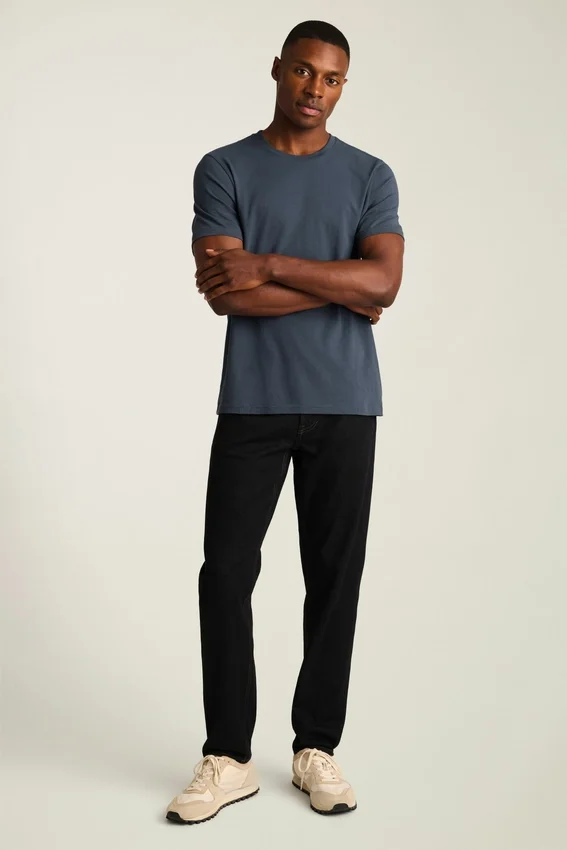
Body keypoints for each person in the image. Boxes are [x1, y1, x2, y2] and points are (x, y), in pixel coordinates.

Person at [166, 19, 405, 825]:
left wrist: (268, 263)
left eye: (331, 79)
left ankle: (315, 748)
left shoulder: (368, 174)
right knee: (225, 573)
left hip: (345, 401)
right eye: (303, 71)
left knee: (334, 577)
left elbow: (385, 284)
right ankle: (228, 756)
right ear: (278, 69)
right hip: (254, 400)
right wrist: (344, 287)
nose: (314, 89)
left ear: (342, 87)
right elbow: (225, 295)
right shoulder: (224, 167)